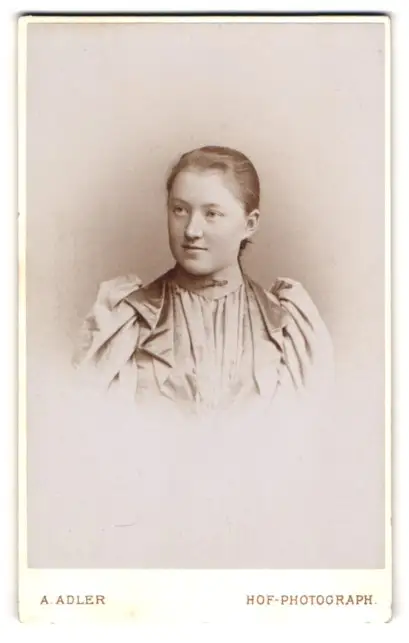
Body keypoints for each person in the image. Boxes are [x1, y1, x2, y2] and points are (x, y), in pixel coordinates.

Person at [73, 145, 333, 418]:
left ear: (250, 224)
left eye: (211, 214)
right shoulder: (129, 319)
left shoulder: (284, 326)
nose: (191, 230)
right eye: (180, 210)